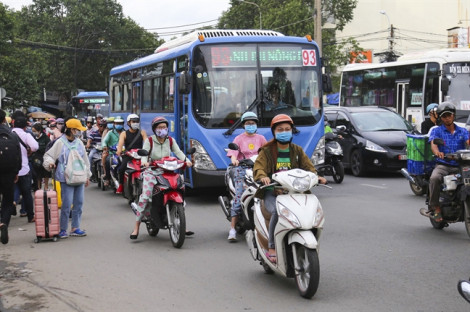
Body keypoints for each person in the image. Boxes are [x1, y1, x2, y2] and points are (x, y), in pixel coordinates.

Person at [253, 114, 327, 263]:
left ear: (292, 131)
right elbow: (259, 168)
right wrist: (263, 177)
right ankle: (272, 246)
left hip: (295, 192)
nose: (284, 132)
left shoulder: (297, 150)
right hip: (272, 191)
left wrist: (316, 177)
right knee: (276, 211)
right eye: (280, 129)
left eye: (287, 129)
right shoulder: (267, 151)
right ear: (274, 132)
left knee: (311, 210)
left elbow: (309, 168)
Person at [129, 116, 192, 240]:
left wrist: (187, 160)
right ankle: (136, 226)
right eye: (159, 127)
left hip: (168, 171)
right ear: (154, 129)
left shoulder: (171, 140)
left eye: (164, 127)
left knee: (180, 189)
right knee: (146, 196)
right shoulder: (150, 141)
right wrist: (144, 162)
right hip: (152, 172)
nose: (162, 130)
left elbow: (178, 152)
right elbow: (144, 152)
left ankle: (182, 225)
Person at [43, 118, 91, 238]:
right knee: (66, 204)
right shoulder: (60, 142)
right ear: (71, 129)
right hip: (66, 178)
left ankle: (75, 227)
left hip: (79, 176)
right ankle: (63, 229)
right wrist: (50, 163)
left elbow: (85, 160)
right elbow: (49, 155)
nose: (79, 132)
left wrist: (87, 175)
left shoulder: (79, 143)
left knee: (79, 203)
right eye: (77, 130)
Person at [226, 112, 267, 241]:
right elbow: (233, 153)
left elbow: (267, 153)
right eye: (248, 123)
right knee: (239, 197)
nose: (251, 125)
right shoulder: (238, 139)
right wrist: (234, 160)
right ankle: (232, 229)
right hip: (242, 170)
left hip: (258, 170)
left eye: (253, 123)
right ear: (243, 125)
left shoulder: (261, 138)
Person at [427, 102, 470, 222]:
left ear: (453, 115)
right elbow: (434, 144)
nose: (447, 118)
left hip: (461, 165)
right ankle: (435, 207)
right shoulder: (437, 131)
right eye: (444, 116)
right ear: (441, 118)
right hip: (444, 165)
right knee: (434, 178)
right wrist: (438, 153)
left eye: (449, 115)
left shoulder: (462, 131)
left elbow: (468, 141)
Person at [0, 109, 22, 244]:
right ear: (4, 120)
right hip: (9, 172)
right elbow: (18, 156)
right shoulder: (12, 135)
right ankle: (3, 223)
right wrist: (16, 172)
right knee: (8, 200)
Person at [12, 116, 39, 223]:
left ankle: (4, 217)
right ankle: (30, 216)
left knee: (10, 192)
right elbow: (35, 146)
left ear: (13, 124)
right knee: (27, 193)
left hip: (11, 169)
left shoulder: (8, 134)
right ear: (24, 127)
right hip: (23, 168)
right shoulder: (26, 135)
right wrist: (29, 151)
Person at [116, 114, 147, 194]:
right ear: (129, 123)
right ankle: (121, 185)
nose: (135, 123)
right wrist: (119, 150)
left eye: (137, 121)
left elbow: (147, 144)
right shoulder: (124, 134)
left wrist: (148, 152)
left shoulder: (142, 132)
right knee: (122, 168)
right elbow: (120, 144)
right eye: (133, 121)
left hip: (140, 156)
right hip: (129, 156)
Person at [101, 117, 124, 187]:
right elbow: (104, 141)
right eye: (117, 124)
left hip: (123, 153)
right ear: (114, 124)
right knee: (108, 161)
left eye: (120, 124)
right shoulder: (110, 133)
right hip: (112, 153)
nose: (118, 125)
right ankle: (107, 178)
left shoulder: (125, 133)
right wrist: (105, 146)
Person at [31, 123, 51, 191]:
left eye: (35, 131)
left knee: (46, 173)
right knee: (37, 174)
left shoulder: (46, 138)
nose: (34, 133)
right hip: (36, 158)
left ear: (39, 131)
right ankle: (38, 187)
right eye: (33, 131)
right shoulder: (33, 138)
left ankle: (46, 186)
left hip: (45, 157)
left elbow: (49, 147)